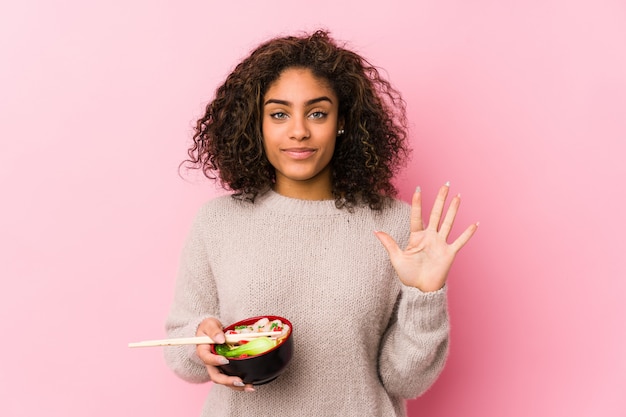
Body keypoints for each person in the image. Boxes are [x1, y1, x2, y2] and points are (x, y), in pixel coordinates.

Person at [164, 30, 477, 417]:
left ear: (341, 122)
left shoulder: (395, 226)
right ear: (255, 125)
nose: (299, 130)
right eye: (279, 114)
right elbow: (181, 351)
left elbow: (405, 382)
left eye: (317, 113)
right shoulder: (218, 222)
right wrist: (202, 343)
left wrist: (425, 296)